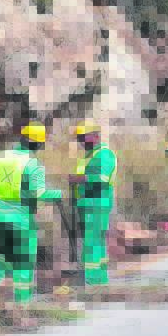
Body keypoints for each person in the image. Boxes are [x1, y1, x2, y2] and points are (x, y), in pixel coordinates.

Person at [0, 121, 62, 304]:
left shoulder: (1, 158)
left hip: (0, 218)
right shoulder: (33, 164)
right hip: (22, 221)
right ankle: (24, 304)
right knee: (23, 263)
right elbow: (39, 194)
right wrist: (59, 194)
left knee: (4, 260)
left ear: (22, 138)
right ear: (38, 144)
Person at [70, 121, 118, 286]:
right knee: (94, 241)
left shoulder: (104, 154)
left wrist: (79, 179)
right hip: (87, 205)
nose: (82, 142)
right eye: (79, 139)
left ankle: (91, 280)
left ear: (96, 136)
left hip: (97, 205)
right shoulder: (89, 156)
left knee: (92, 242)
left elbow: (102, 180)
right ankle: (99, 279)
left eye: (84, 138)